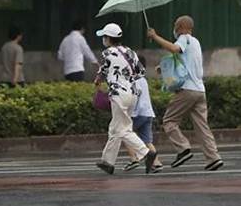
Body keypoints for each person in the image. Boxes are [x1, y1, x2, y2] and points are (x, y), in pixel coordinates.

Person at [147, 15, 224, 171]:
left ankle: (183, 148)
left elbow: (175, 49)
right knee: (202, 127)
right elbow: (182, 61)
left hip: (187, 90)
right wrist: (163, 67)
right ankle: (213, 158)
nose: (174, 28)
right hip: (200, 90)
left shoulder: (184, 38)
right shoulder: (195, 42)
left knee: (169, 120)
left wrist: (155, 36)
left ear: (182, 27)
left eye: (176, 25)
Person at [94, 23, 157, 174]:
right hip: (133, 94)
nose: (103, 39)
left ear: (108, 39)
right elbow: (140, 71)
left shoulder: (107, 53)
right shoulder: (130, 52)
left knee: (123, 129)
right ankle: (108, 162)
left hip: (118, 95)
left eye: (104, 37)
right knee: (115, 128)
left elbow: (102, 71)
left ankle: (146, 153)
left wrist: (98, 80)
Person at [122, 55, 163, 173]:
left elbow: (134, 97)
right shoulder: (143, 79)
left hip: (137, 113)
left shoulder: (133, 80)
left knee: (124, 133)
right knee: (147, 140)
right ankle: (156, 163)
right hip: (148, 113)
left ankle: (134, 159)